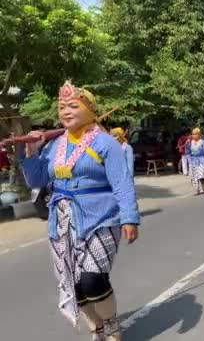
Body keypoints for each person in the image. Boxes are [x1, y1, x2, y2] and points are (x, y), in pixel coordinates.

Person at [21, 81, 139, 341]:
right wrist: (29, 154)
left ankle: (110, 323)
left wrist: (129, 217)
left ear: (91, 110)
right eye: (62, 107)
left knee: (93, 279)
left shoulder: (105, 143)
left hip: (101, 218)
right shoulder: (54, 146)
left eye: (73, 106)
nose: (66, 111)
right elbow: (37, 180)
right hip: (62, 221)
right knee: (74, 284)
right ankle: (96, 324)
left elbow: (121, 182)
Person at [186, 128, 204, 195]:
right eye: (193, 134)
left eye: (195, 134)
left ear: (199, 135)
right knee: (194, 175)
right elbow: (187, 152)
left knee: (202, 173)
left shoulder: (202, 142)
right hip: (193, 160)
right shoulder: (190, 143)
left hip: (201, 160)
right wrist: (189, 161)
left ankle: (203, 185)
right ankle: (197, 189)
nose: (194, 135)